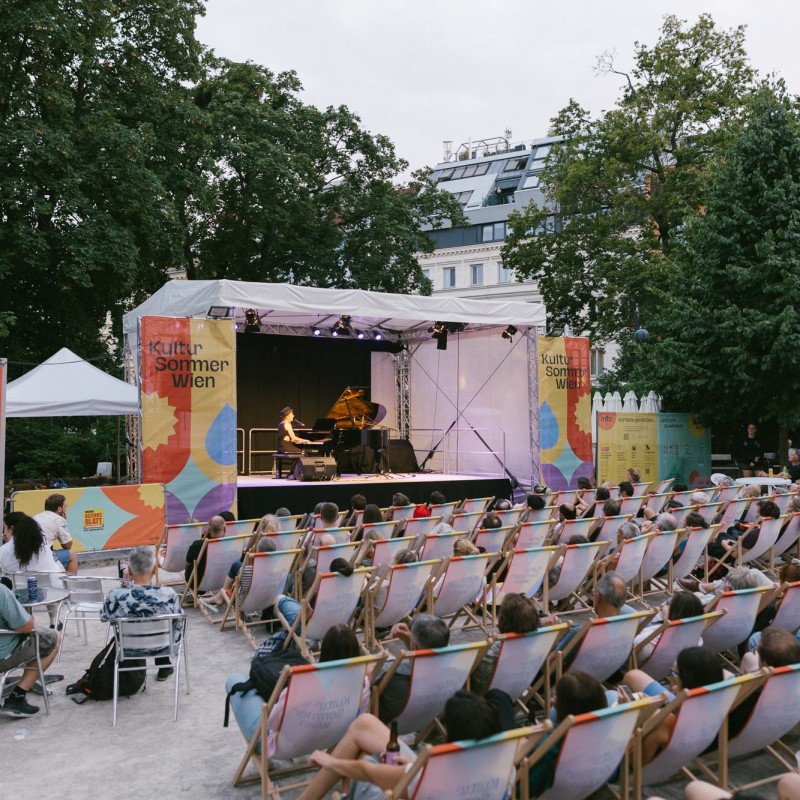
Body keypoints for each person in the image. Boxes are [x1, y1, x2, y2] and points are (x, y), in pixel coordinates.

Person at [298, 690, 504, 800]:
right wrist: (411, 768)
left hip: (430, 787)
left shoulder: (430, 775)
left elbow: (366, 771)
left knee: (364, 755)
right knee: (365, 725)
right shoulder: (505, 766)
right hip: (459, 783)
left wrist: (331, 761)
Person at [225, 624, 370, 760]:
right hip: (330, 738)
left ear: (324, 651)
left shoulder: (300, 686)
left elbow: (274, 723)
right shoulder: (363, 686)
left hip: (285, 747)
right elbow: (359, 719)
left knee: (235, 680)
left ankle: (261, 755)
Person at [101, 545, 184, 681]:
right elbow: (179, 619)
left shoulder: (115, 596)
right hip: (163, 646)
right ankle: (164, 666)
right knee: (160, 621)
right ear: (155, 569)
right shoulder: (169, 595)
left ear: (129, 571)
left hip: (129, 648)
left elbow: (104, 617)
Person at [376, 614, 450, 723]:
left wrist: (377, 660)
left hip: (388, 722)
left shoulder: (394, 674)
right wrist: (410, 641)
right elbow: (423, 661)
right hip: (425, 717)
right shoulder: (453, 670)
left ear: (414, 647)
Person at [0, 583, 59, 717]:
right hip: (3, 657)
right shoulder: (1, 592)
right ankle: (17, 696)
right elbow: (26, 626)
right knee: (53, 637)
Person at [632, 591, 705, 662]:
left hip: (638, 666)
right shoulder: (697, 640)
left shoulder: (654, 635)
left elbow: (634, 646)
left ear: (675, 612)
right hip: (664, 669)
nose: (663, 604)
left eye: (667, 604)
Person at [0, 512, 65, 582]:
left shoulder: (3, 551)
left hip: (21, 590)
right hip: (55, 586)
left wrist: (8, 543)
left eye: (5, 528)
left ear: (12, 528)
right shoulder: (43, 541)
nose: (4, 532)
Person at [33, 493, 78, 574]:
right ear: (59, 509)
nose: (66, 509)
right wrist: (64, 521)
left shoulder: (36, 516)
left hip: (28, 555)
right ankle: (70, 583)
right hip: (41, 557)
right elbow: (67, 545)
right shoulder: (58, 519)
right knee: (72, 554)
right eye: (65, 506)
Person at [184, 514, 227, 584]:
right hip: (221, 581)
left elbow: (188, 562)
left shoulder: (197, 545)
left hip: (197, 583)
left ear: (209, 530)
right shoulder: (230, 546)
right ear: (224, 529)